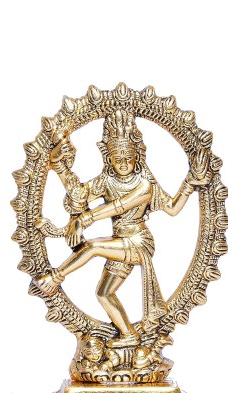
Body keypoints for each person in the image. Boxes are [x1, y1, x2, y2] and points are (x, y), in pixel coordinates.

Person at [35, 110, 209, 347]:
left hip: (138, 241)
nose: (124, 163)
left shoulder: (144, 185)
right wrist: (59, 165)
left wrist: (190, 182)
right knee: (103, 293)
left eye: (129, 157)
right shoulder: (107, 181)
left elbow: (169, 208)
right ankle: (128, 334)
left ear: (137, 156)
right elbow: (78, 194)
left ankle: (55, 277)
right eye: (118, 158)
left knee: (93, 247)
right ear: (109, 159)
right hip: (119, 242)